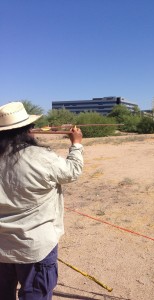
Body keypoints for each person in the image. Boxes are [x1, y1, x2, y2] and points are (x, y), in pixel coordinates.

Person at [0, 102, 84, 300]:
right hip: (35, 248)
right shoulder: (41, 157)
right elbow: (72, 172)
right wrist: (77, 144)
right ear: (28, 130)